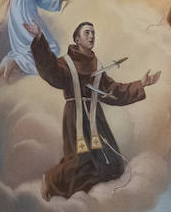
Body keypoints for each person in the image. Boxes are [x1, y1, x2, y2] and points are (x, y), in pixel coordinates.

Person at [27, 21, 160, 200]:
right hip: (76, 118)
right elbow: (49, 69)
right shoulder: (66, 64)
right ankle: (52, 179)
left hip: (96, 119)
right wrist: (39, 38)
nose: (91, 36)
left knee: (112, 164)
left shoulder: (97, 67)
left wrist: (141, 84)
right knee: (80, 160)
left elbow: (113, 92)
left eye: (93, 33)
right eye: (87, 33)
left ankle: (79, 195)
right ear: (77, 39)